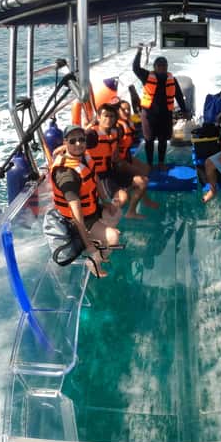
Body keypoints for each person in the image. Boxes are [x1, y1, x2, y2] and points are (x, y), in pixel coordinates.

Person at [49, 124, 121, 277]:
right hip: (78, 219)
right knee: (114, 237)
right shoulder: (66, 174)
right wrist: (88, 245)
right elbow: (76, 215)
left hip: (92, 208)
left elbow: (96, 179)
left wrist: (106, 201)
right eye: (72, 141)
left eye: (81, 140)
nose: (78, 144)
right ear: (65, 142)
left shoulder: (84, 156)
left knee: (116, 212)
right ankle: (93, 261)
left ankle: (100, 239)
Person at [132, 44, 189, 170]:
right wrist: (139, 51)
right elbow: (135, 68)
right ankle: (149, 164)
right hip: (149, 115)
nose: (162, 68)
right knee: (149, 140)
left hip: (165, 115)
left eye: (164, 66)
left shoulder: (171, 79)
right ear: (155, 67)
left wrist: (184, 111)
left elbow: (178, 95)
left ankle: (161, 162)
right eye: (159, 66)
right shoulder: (146, 76)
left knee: (163, 140)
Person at [115, 100, 160, 216]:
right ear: (117, 111)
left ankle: (143, 199)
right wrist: (123, 164)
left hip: (127, 156)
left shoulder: (128, 122)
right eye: (123, 109)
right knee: (143, 178)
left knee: (147, 169)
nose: (126, 112)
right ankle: (131, 211)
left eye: (128, 109)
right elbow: (113, 151)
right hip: (120, 162)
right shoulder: (118, 127)